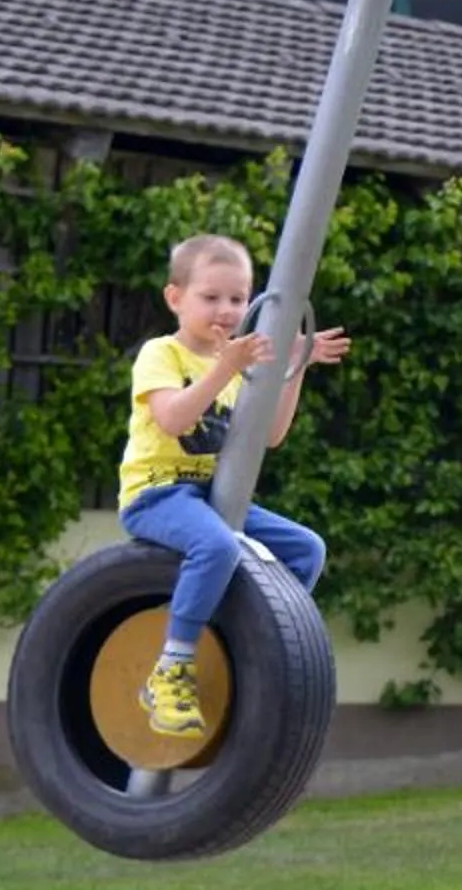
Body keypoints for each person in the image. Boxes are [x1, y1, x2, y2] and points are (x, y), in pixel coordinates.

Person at [116, 233, 350, 739]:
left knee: (306, 550)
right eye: (211, 297)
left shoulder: (238, 366)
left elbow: (269, 435)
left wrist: (295, 368)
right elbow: (175, 419)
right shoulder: (164, 354)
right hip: (157, 494)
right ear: (175, 298)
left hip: (210, 496)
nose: (226, 310)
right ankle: (170, 671)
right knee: (217, 545)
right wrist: (226, 366)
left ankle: (244, 647)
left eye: (238, 299)